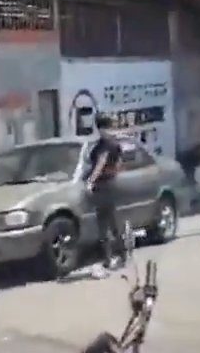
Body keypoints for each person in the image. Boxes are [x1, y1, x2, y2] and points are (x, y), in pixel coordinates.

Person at [85, 113, 126, 279]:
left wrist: (91, 181)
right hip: (108, 184)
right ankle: (116, 256)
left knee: (106, 222)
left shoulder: (106, 145)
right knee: (109, 222)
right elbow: (118, 164)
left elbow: (100, 163)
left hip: (104, 185)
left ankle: (112, 257)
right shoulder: (111, 144)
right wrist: (113, 174)